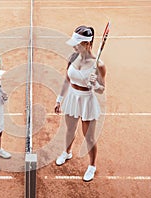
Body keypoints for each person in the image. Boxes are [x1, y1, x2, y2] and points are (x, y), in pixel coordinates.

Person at [54, 25, 106, 182]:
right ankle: (67, 152)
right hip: (72, 97)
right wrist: (59, 99)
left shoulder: (99, 65)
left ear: (87, 44)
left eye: (77, 43)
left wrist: (95, 84)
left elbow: (102, 89)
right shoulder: (72, 58)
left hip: (87, 101)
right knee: (70, 129)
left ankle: (92, 165)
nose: (74, 46)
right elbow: (67, 80)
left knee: (89, 137)